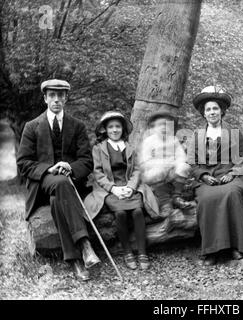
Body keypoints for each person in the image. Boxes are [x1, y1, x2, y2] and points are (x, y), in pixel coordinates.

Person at [17, 79, 100, 281]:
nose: (56, 100)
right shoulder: (32, 126)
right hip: (43, 182)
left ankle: (75, 261)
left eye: (60, 96)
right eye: (52, 96)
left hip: (70, 185)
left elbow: (87, 161)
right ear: (45, 98)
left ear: (66, 98)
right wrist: (49, 169)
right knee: (59, 183)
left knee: (58, 199)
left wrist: (70, 167)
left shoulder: (77, 126)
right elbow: (23, 162)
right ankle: (85, 244)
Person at [189, 86, 243, 266]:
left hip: (234, 175)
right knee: (206, 198)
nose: (212, 112)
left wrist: (232, 173)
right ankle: (212, 250)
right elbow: (193, 163)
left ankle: (237, 247)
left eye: (215, 109)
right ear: (204, 114)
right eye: (208, 109)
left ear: (222, 111)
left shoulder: (235, 133)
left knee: (232, 194)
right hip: (208, 178)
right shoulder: (196, 136)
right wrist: (203, 176)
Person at [84, 111, 160, 270]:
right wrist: (113, 189)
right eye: (110, 127)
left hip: (130, 185)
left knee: (138, 211)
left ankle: (142, 252)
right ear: (105, 129)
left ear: (123, 129)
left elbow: (136, 170)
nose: (114, 130)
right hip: (109, 188)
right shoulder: (98, 149)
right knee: (120, 213)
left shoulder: (130, 147)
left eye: (117, 126)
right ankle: (127, 252)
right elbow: (98, 173)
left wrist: (131, 187)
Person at [138, 111, 195, 215]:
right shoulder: (149, 141)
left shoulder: (173, 140)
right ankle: (165, 204)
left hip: (172, 170)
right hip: (154, 171)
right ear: (153, 127)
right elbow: (144, 161)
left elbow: (181, 156)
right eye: (160, 125)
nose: (163, 127)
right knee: (158, 173)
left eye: (166, 125)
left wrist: (176, 163)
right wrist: (163, 164)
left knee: (184, 167)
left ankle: (176, 196)